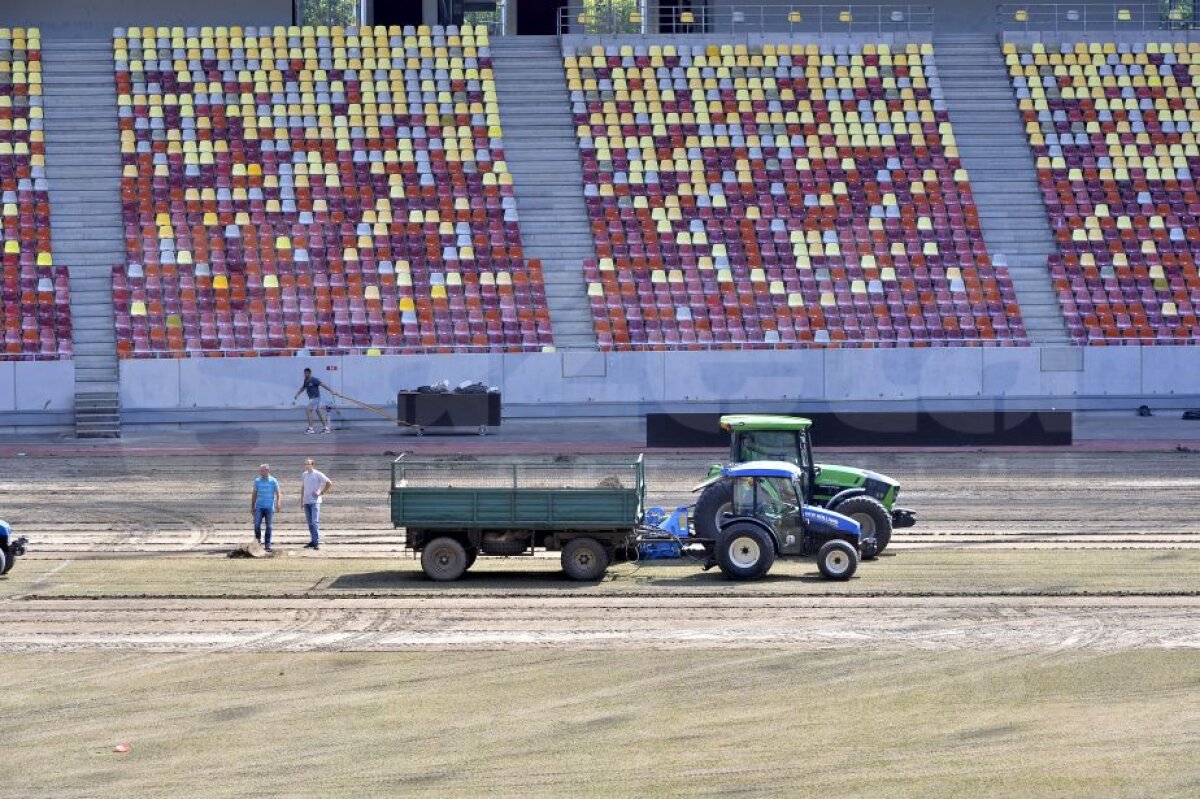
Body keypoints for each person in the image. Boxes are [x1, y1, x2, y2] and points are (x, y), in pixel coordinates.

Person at [301, 458, 333, 549]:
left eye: (308, 464)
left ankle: (317, 542)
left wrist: (321, 493)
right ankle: (313, 541)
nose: (306, 465)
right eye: (305, 464)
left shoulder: (318, 474)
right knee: (310, 523)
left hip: (315, 502)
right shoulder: (304, 475)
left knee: (314, 522)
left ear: (312, 465)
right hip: (306, 501)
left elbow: (329, 483)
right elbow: (303, 487)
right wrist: (301, 500)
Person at [250, 463, 282, 552]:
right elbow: (254, 494)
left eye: (263, 470)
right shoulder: (257, 481)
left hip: (269, 507)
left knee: (269, 526)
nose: (261, 472)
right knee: (256, 525)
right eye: (260, 470)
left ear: (267, 470)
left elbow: (279, 493)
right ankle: (258, 543)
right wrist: (252, 506)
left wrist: (278, 504)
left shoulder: (273, 481)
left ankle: (267, 545)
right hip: (259, 507)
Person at [292, 367, 330, 434]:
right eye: (304, 373)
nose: (305, 374)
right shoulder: (305, 380)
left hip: (316, 398)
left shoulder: (314, 380)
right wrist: (297, 395)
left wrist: (332, 391)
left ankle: (311, 429)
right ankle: (326, 428)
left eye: (306, 373)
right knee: (319, 413)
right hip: (313, 399)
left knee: (308, 410)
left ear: (309, 373)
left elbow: (323, 385)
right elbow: (303, 388)